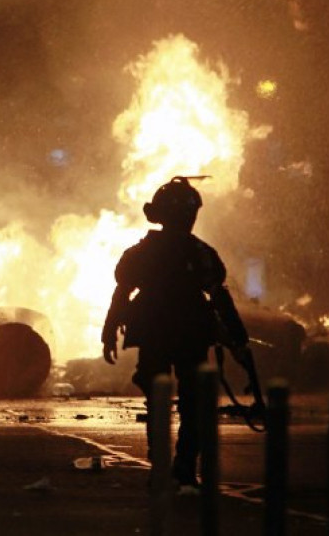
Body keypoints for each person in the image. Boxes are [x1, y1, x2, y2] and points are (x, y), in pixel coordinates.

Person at [101, 176, 250, 494]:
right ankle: (182, 471)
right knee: (192, 404)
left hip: (158, 334)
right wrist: (238, 339)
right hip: (189, 335)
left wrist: (109, 330)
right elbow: (220, 298)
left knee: (160, 402)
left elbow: (122, 295)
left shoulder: (142, 253)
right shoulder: (200, 253)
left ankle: (163, 470)